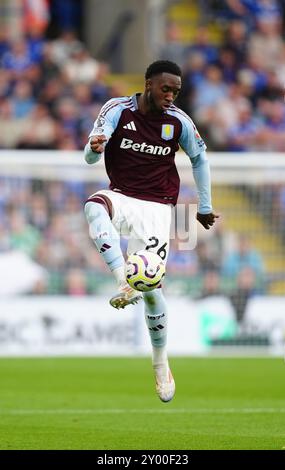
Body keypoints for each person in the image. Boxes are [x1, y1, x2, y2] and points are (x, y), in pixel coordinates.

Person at [83, 60, 218, 403]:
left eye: (176, 91)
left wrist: (203, 205)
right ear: (148, 84)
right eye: (165, 89)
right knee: (94, 207)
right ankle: (121, 279)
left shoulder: (179, 122)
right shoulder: (117, 110)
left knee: (154, 292)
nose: (171, 96)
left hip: (158, 208)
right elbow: (89, 155)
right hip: (122, 195)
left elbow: (200, 160)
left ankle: (160, 362)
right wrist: (93, 148)